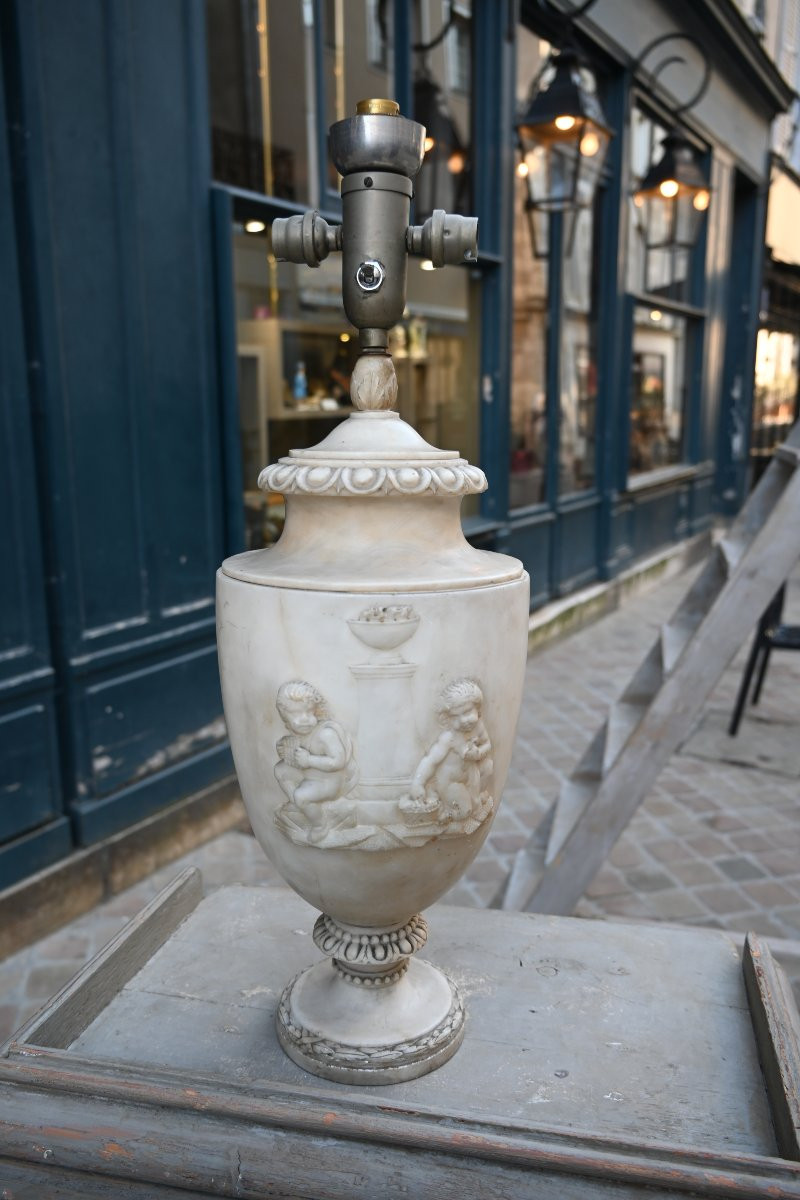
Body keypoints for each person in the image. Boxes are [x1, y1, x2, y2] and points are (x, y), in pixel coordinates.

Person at [274, 680, 357, 843]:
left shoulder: (325, 734)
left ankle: (320, 826)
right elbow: (299, 755)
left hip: (330, 781)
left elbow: (338, 761)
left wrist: (309, 760)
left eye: (308, 712)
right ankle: (301, 806)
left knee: (301, 795)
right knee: (280, 770)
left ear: (316, 710)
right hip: (310, 775)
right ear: (285, 715)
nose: (304, 719)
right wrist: (286, 752)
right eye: (295, 714)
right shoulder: (298, 733)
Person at [405, 679, 493, 823]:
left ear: (477, 708)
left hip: (471, 775)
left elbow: (487, 745)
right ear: (447, 718)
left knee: (488, 766)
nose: (464, 720)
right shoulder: (449, 738)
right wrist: (418, 783)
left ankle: (475, 799)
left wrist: (478, 753)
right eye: (456, 716)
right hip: (451, 782)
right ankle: (445, 809)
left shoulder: (478, 727)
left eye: (468, 712)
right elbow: (431, 760)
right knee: (465, 812)